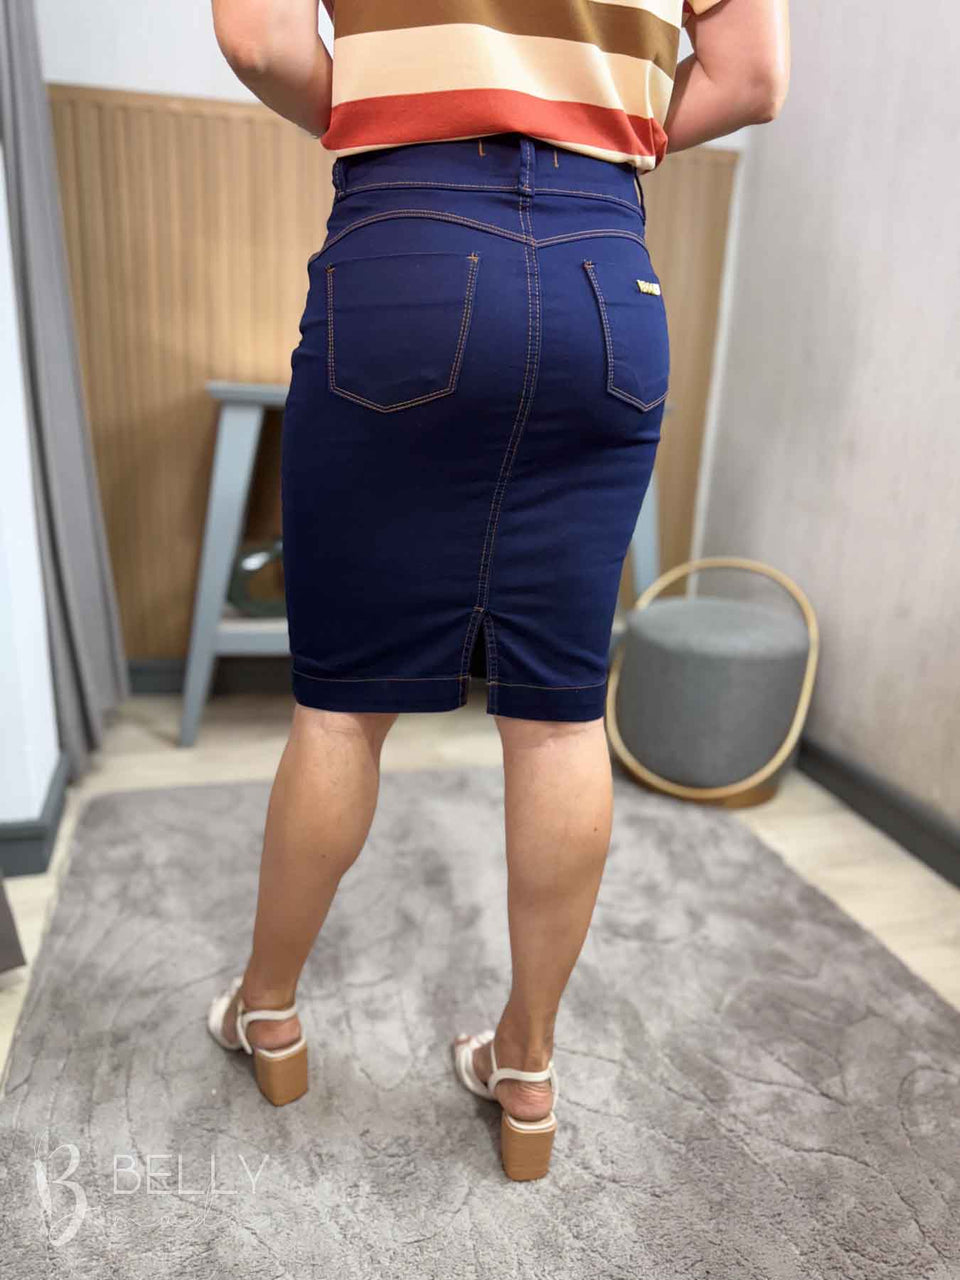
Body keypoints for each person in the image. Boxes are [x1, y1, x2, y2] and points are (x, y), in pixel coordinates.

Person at [206, 0, 790, 1180]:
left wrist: (395, 118)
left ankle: (268, 1010)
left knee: (341, 708)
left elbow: (259, 39)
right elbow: (752, 80)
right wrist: (597, 130)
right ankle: (526, 1065)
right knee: (560, 714)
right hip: (602, 271)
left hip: (403, 246)